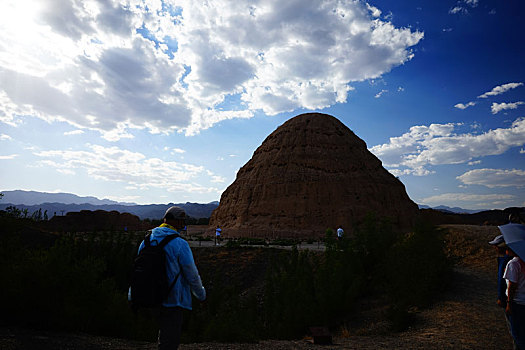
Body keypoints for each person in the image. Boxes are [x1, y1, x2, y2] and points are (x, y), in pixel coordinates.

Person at [132, 206, 206, 350]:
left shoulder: (147, 240)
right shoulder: (180, 243)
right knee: (170, 341)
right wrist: (201, 295)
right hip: (173, 299)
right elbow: (192, 275)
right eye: (182, 221)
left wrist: (132, 294)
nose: (184, 224)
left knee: (163, 335)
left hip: (149, 296)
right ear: (177, 222)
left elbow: (138, 268)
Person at [503, 245, 525, 350]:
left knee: (517, 334)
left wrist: (508, 303)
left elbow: (512, 286)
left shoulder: (513, 264)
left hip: (517, 302)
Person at [489, 235, 511, 308]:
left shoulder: (506, 261)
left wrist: (501, 298)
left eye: (496, 246)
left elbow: (502, 281)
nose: (495, 248)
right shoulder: (508, 260)